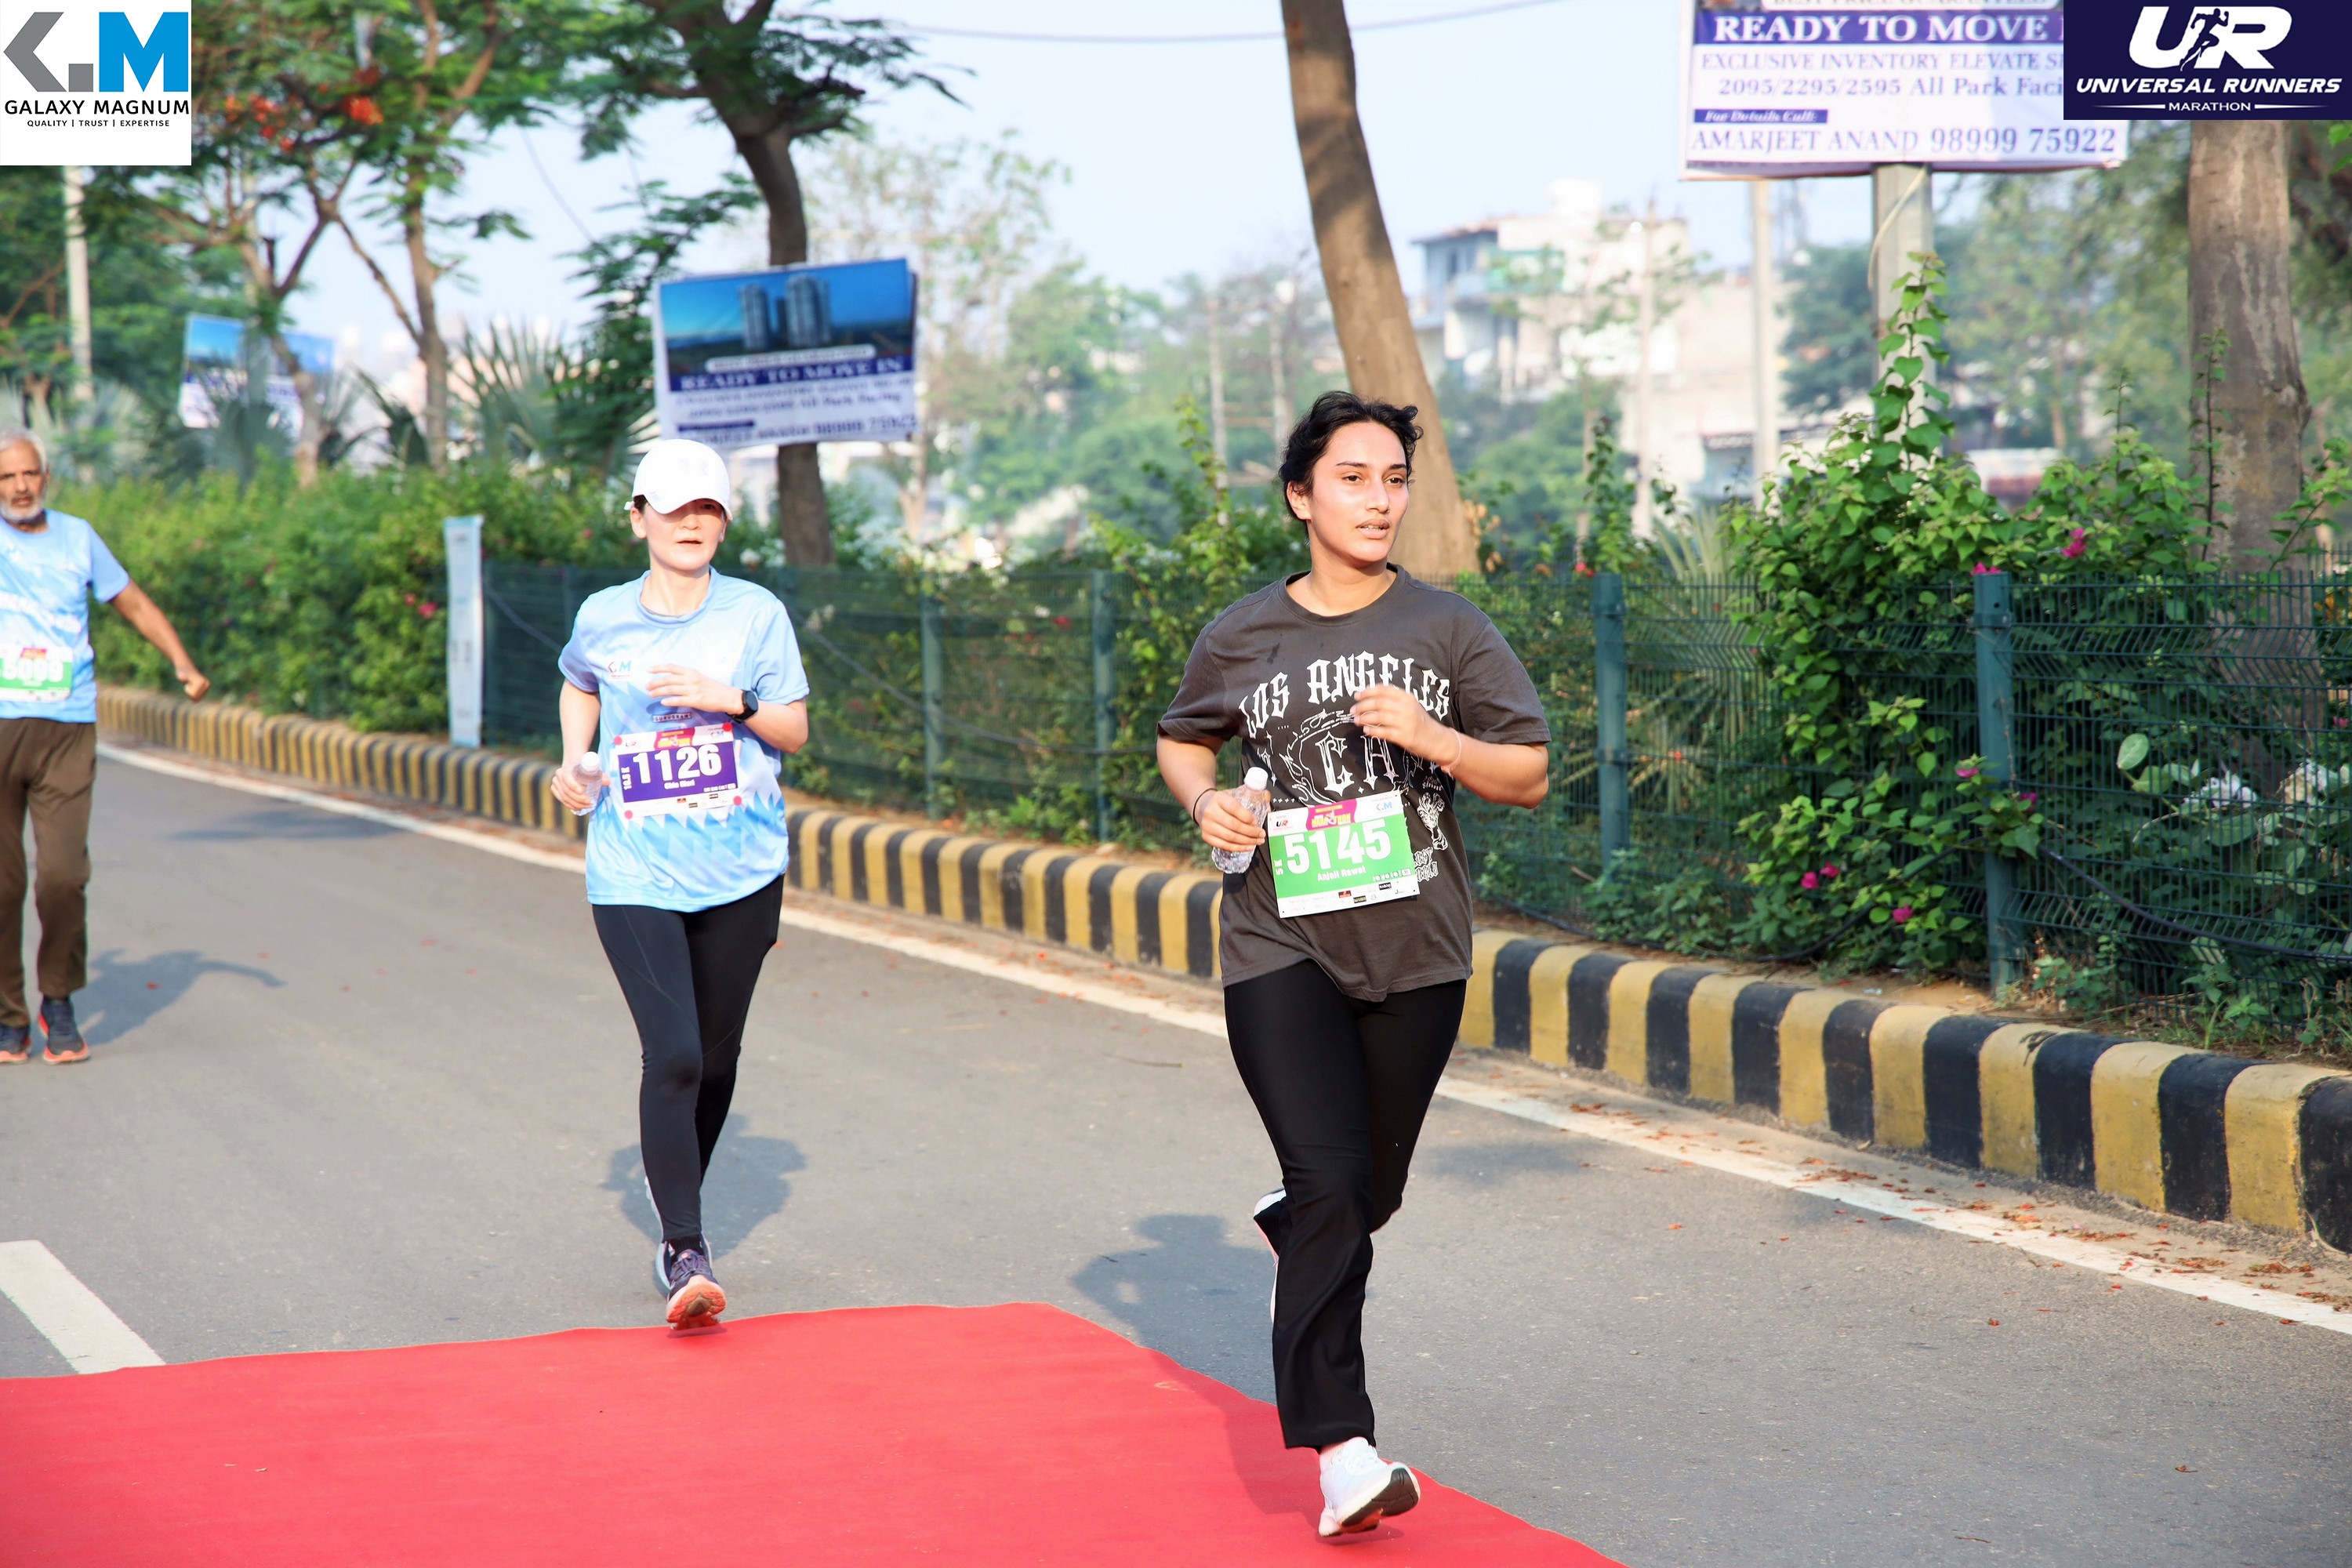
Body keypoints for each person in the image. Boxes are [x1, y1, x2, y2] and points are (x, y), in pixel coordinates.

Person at [1156, 391, 1551, 1539]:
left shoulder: (1448, 628)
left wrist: (1435, 737)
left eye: (1394, 479)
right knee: (1335, 1188)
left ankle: (1305, 1217)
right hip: (1278, 943)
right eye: (1353, 478)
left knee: (1364, 1194)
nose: (1379, 500)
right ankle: (1343, 1451)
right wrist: (1209, 803)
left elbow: (1528, 771)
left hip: (1418, 952)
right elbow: (1185, 738)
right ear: (1301, 496)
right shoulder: (1242, 634)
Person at [549, 438, 811, 1327]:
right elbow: (578, 682)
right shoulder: (603, 615)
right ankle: (685, 1246)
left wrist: (728, 698)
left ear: (724, 522)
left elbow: (793, 730)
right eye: (673, 508)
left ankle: (678, 1202)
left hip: (742, 868)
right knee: (676, 1054)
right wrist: (575, 760)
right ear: (639, 518)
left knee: (718, 1059)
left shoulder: (755, 614)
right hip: (634, 866)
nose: (691, 523)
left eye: (707, 509)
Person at [0, 430, 209, 1067]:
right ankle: (9, 1015)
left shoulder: (78, 538)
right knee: (2, 885)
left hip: (67, 730)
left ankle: (58, 999)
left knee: (63, 877)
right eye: (6, 477)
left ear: (46, 477)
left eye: (29, 474)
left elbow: (133, 602)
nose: (20, 487)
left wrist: (182, 662)